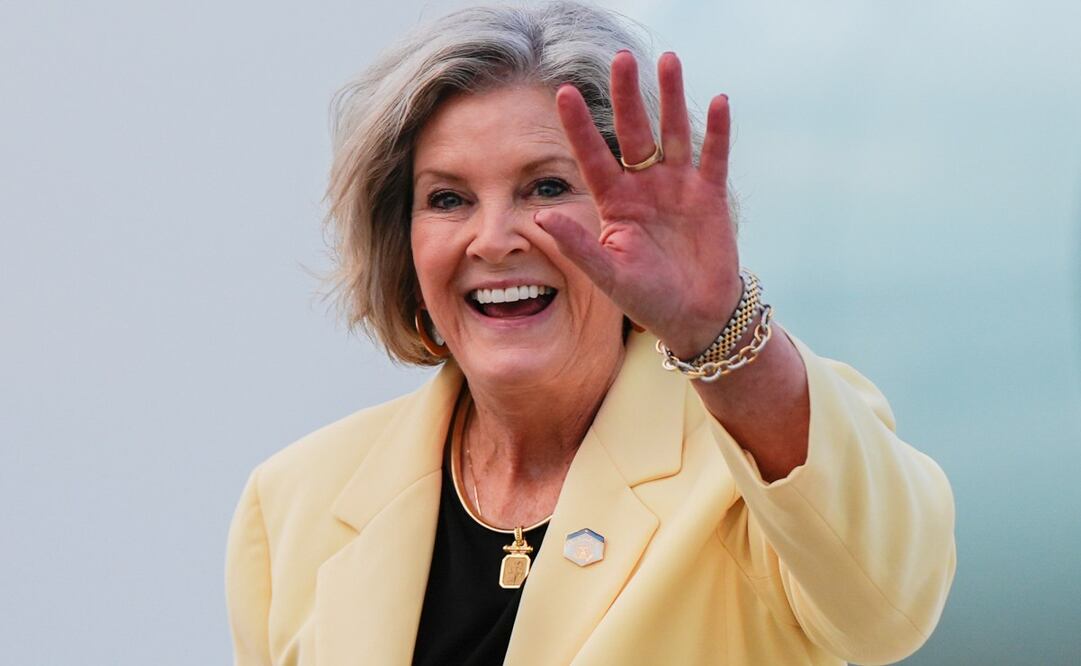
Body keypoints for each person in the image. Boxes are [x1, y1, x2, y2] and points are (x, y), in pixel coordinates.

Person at [224, 2, 956, 664]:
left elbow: (886, 613)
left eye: (546, 187)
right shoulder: (294, 501)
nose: (492, 238)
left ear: (631, 217)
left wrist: (718, 331)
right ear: (401, 242)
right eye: (447, 199)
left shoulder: (760, 458)